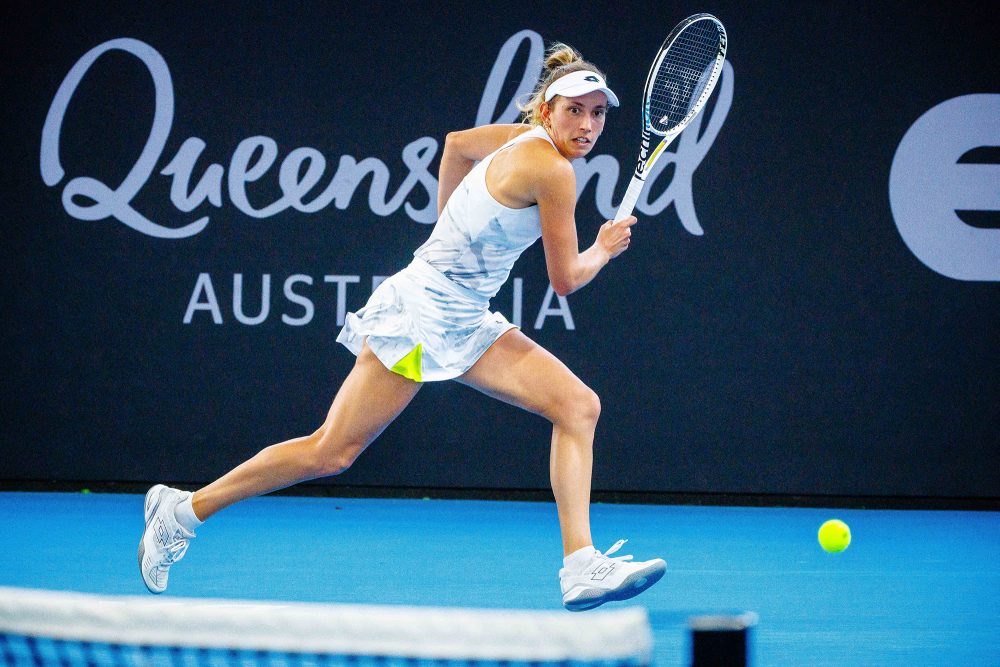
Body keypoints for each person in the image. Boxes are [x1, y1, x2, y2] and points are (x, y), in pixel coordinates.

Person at [139, 43, 666, 612]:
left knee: (577, 407)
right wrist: (605, 248)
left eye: (598, 113)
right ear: (547, 112)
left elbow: (456, 147)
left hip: (463, 315)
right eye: (574, 111)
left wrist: (451, 228)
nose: (587, 125)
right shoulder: (553, 171)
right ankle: (182, 511)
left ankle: (580, 566)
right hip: (420, 319)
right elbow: (566, 280)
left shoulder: (519, 139)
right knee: (331, 451)